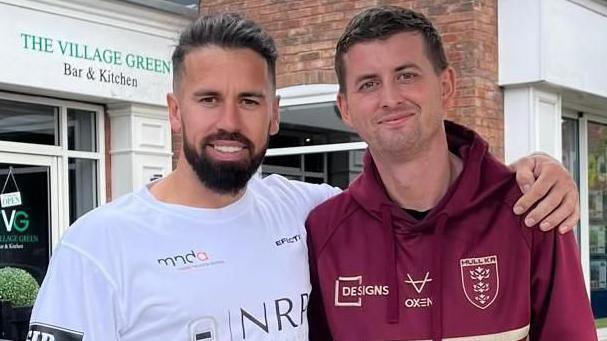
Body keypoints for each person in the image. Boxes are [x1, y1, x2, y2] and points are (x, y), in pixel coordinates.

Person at [27, 12, 579, 341]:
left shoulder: (307, 213)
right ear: (175, 111)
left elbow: (422, 194)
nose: (228, 121)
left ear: (273, 113)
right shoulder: (97, 247)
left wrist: (535, 173)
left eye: (248, 100)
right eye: (207, 99)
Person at [305, 6, 596, 341]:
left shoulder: (531, 210)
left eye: (406, 75)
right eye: (369, 84)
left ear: (446, 86)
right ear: (345, 109)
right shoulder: (324, 232)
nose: (389, 98)